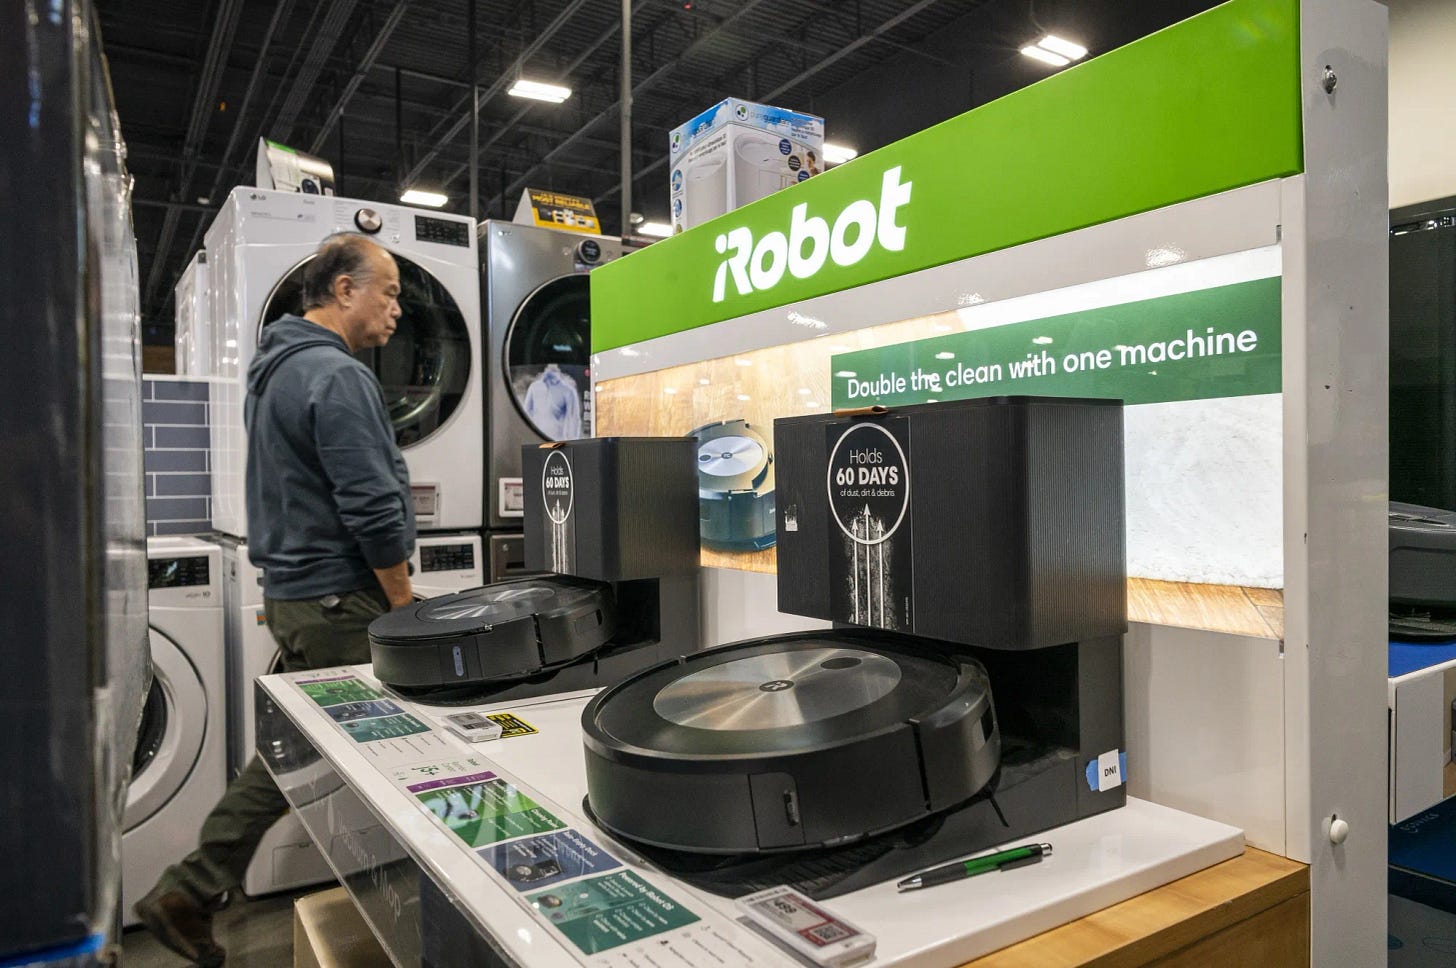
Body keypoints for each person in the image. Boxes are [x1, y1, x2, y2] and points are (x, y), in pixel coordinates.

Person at [135, 233, 415, 966]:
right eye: (387, 290)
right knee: (409, 739)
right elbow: (372, 506)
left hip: (299, 594)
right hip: (342, 600)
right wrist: (405, 604)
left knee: (292, 749)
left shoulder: (277, 371)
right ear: (344, 291)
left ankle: (189, 888)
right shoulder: (336, 376)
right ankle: (424, 904)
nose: (396, 307)